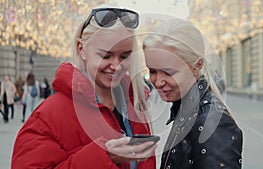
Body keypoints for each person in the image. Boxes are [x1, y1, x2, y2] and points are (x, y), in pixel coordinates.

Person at [12, 3, 157, 169]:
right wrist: (103, 157)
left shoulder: (134, 104)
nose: (116, 66)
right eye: (106, 55)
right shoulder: (48, 115)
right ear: (82, 49)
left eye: (125, 56)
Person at [143, 18, 243, 169]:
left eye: (168, 72)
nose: (157, 82)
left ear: (197, 66)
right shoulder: (187, 109)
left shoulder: (210, 121)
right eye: (152, 71)